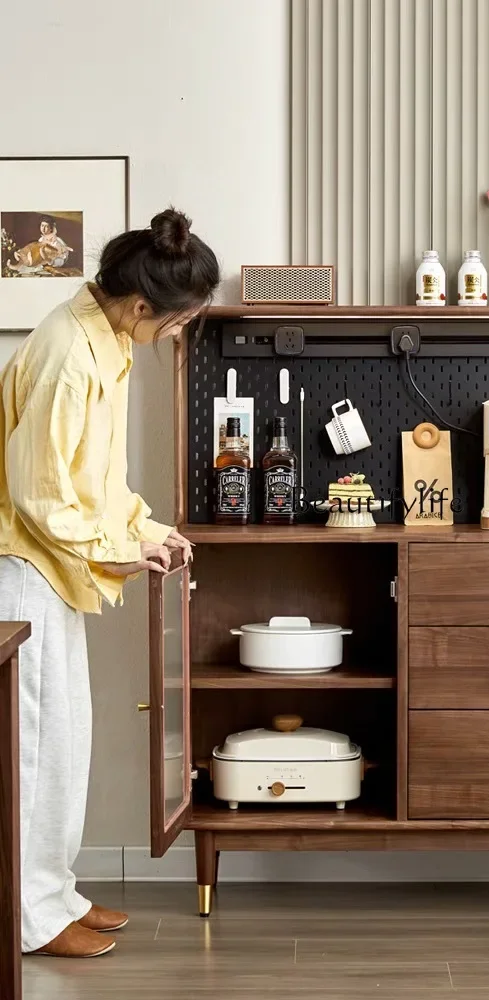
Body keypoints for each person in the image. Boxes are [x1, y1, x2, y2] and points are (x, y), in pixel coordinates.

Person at [0, 208, 220, 959]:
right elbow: (41, 493)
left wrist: (148, 529)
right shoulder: (71, 354)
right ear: (140, 306)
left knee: (65, 742)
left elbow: (97, 479)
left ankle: (52, 893)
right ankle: (27, 917)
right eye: (181, 319)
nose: (179, 332)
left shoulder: (107, 341)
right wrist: (118, 546)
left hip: (54, 561)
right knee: (33, 749)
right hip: (24, 568)